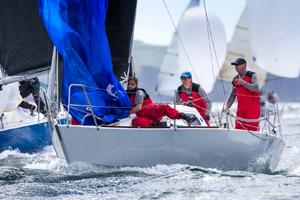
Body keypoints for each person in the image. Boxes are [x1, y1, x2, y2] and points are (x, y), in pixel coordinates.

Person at [126, 76, 196, 127]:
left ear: (136, 85)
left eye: (132, 84)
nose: (130, 86)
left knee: (164, 107)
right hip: (145, 117)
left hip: (150, 110)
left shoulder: (139, 92)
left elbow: (138, 108)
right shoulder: (126, 95)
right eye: (129, 84)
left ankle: (185, 117)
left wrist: (128, 112)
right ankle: (157, 125)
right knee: (135, 121)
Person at [223, 58, 260, 131]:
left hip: (252, 110)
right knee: (238, 130)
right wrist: (227, 106)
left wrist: (243, 83)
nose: (236, 67)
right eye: (235, 65)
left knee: (252, 131)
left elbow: (257, 87)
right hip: (240, 111)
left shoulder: (252, 75)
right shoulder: (235, 78)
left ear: (244, 65)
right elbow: (233, 95)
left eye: (238, 65)